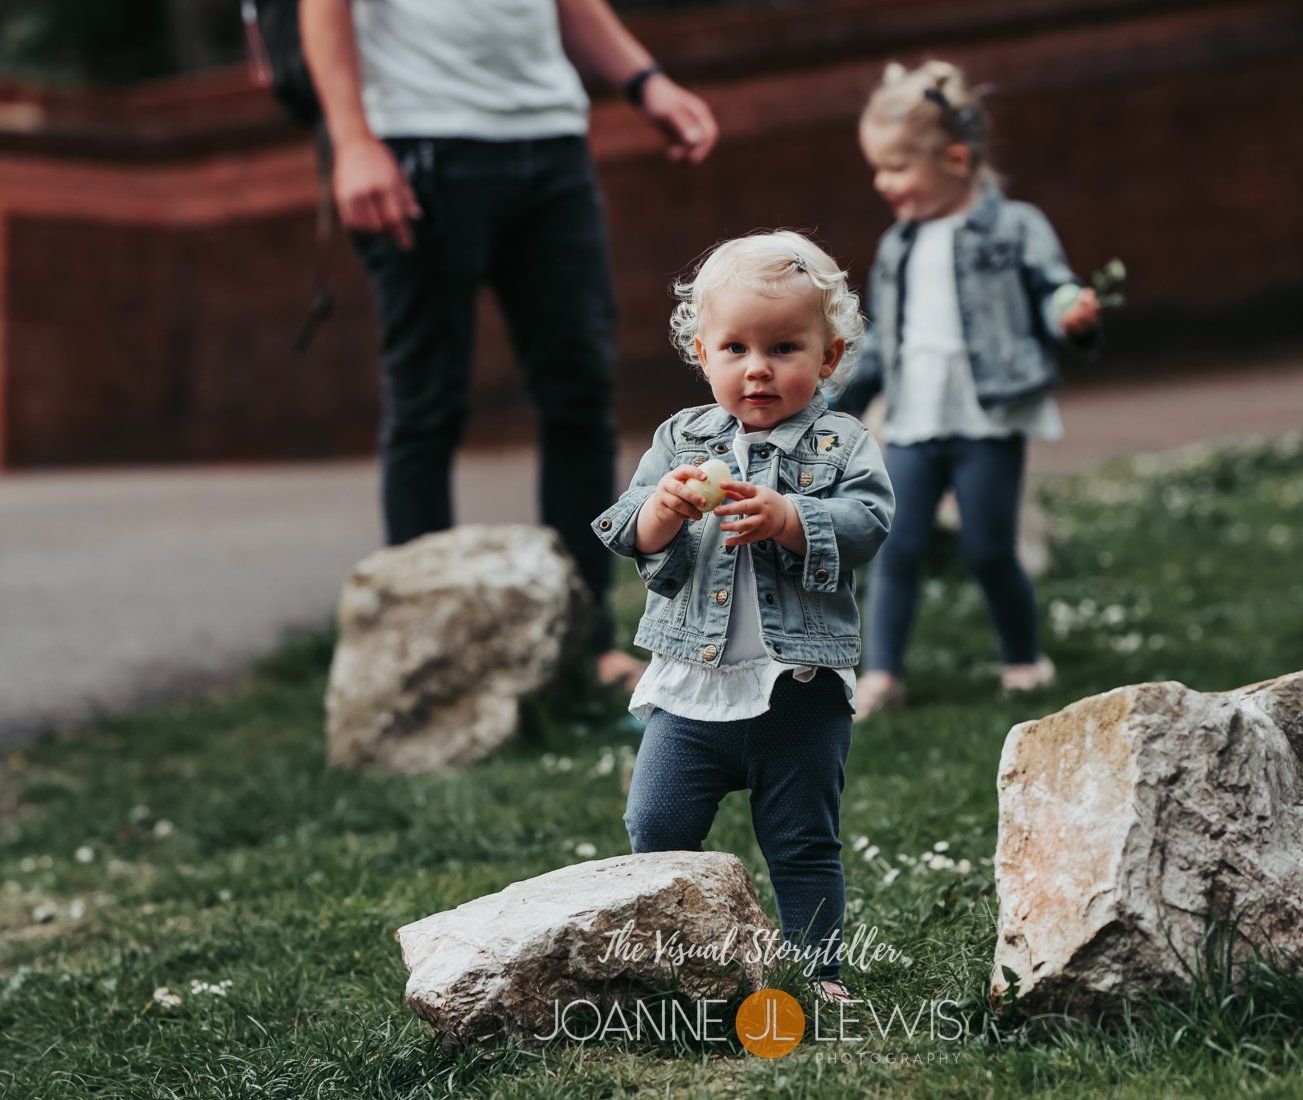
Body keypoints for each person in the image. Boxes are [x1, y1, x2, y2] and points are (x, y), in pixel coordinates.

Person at [301, 0, 720, 691]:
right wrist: (352, 142)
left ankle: (586, 646)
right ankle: (422, 654)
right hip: (419, 142)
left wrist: (646, 82)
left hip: (551, 139)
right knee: (429, 404)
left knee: (580, 393)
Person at [592, 232, 894, 1004]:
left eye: (785, 347)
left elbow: (869, 521)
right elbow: (626, 527)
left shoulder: (842, 440)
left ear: (828, 358)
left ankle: (818, 972)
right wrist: (661, 510)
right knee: (656, 823)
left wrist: (793, 517)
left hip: (797, 685)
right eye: (736, 347)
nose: (758, 367)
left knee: (800, 841)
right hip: (694, 687)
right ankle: (668, 963)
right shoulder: (680, 440)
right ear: (702, 351)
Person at [830, 60, 1102, 718]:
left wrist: (1070, 309)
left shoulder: (1015, 228)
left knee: (987, 548)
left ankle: (1023, 660)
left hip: (987, 417)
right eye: (878, 168)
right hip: (913, 418)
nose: (881, 183)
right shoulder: (897, 246)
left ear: (955, 158)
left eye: (896, 169)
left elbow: (1052, 286)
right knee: (897, 545)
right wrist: (833, 403)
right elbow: (883, 340)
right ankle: (883, 675)